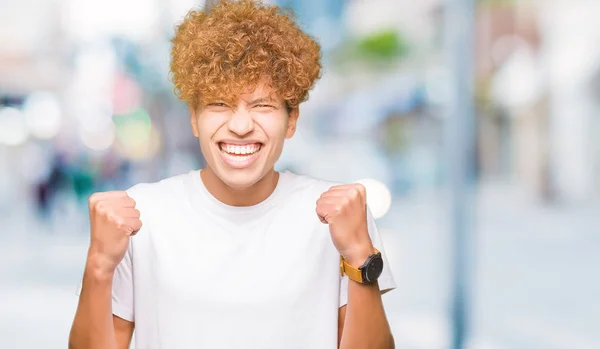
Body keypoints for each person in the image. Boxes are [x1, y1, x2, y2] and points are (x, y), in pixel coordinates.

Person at [68, 1, 396, 348]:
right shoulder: (140, 216)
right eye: (219, 104)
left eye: (263, 106)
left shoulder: (339, 215)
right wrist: (99, 265)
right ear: (194, 118)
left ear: (292, 120)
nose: (240, 126)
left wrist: (360, 255)